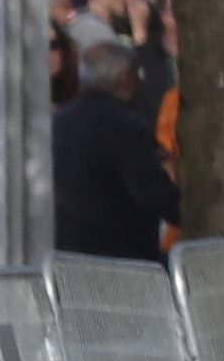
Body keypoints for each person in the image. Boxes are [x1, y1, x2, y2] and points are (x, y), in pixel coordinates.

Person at [50, 21, 173, 262]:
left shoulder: (59, 122)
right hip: (123, 261)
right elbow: (153, 194)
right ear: (124, 78)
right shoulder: (125, 125)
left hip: (68, 258)